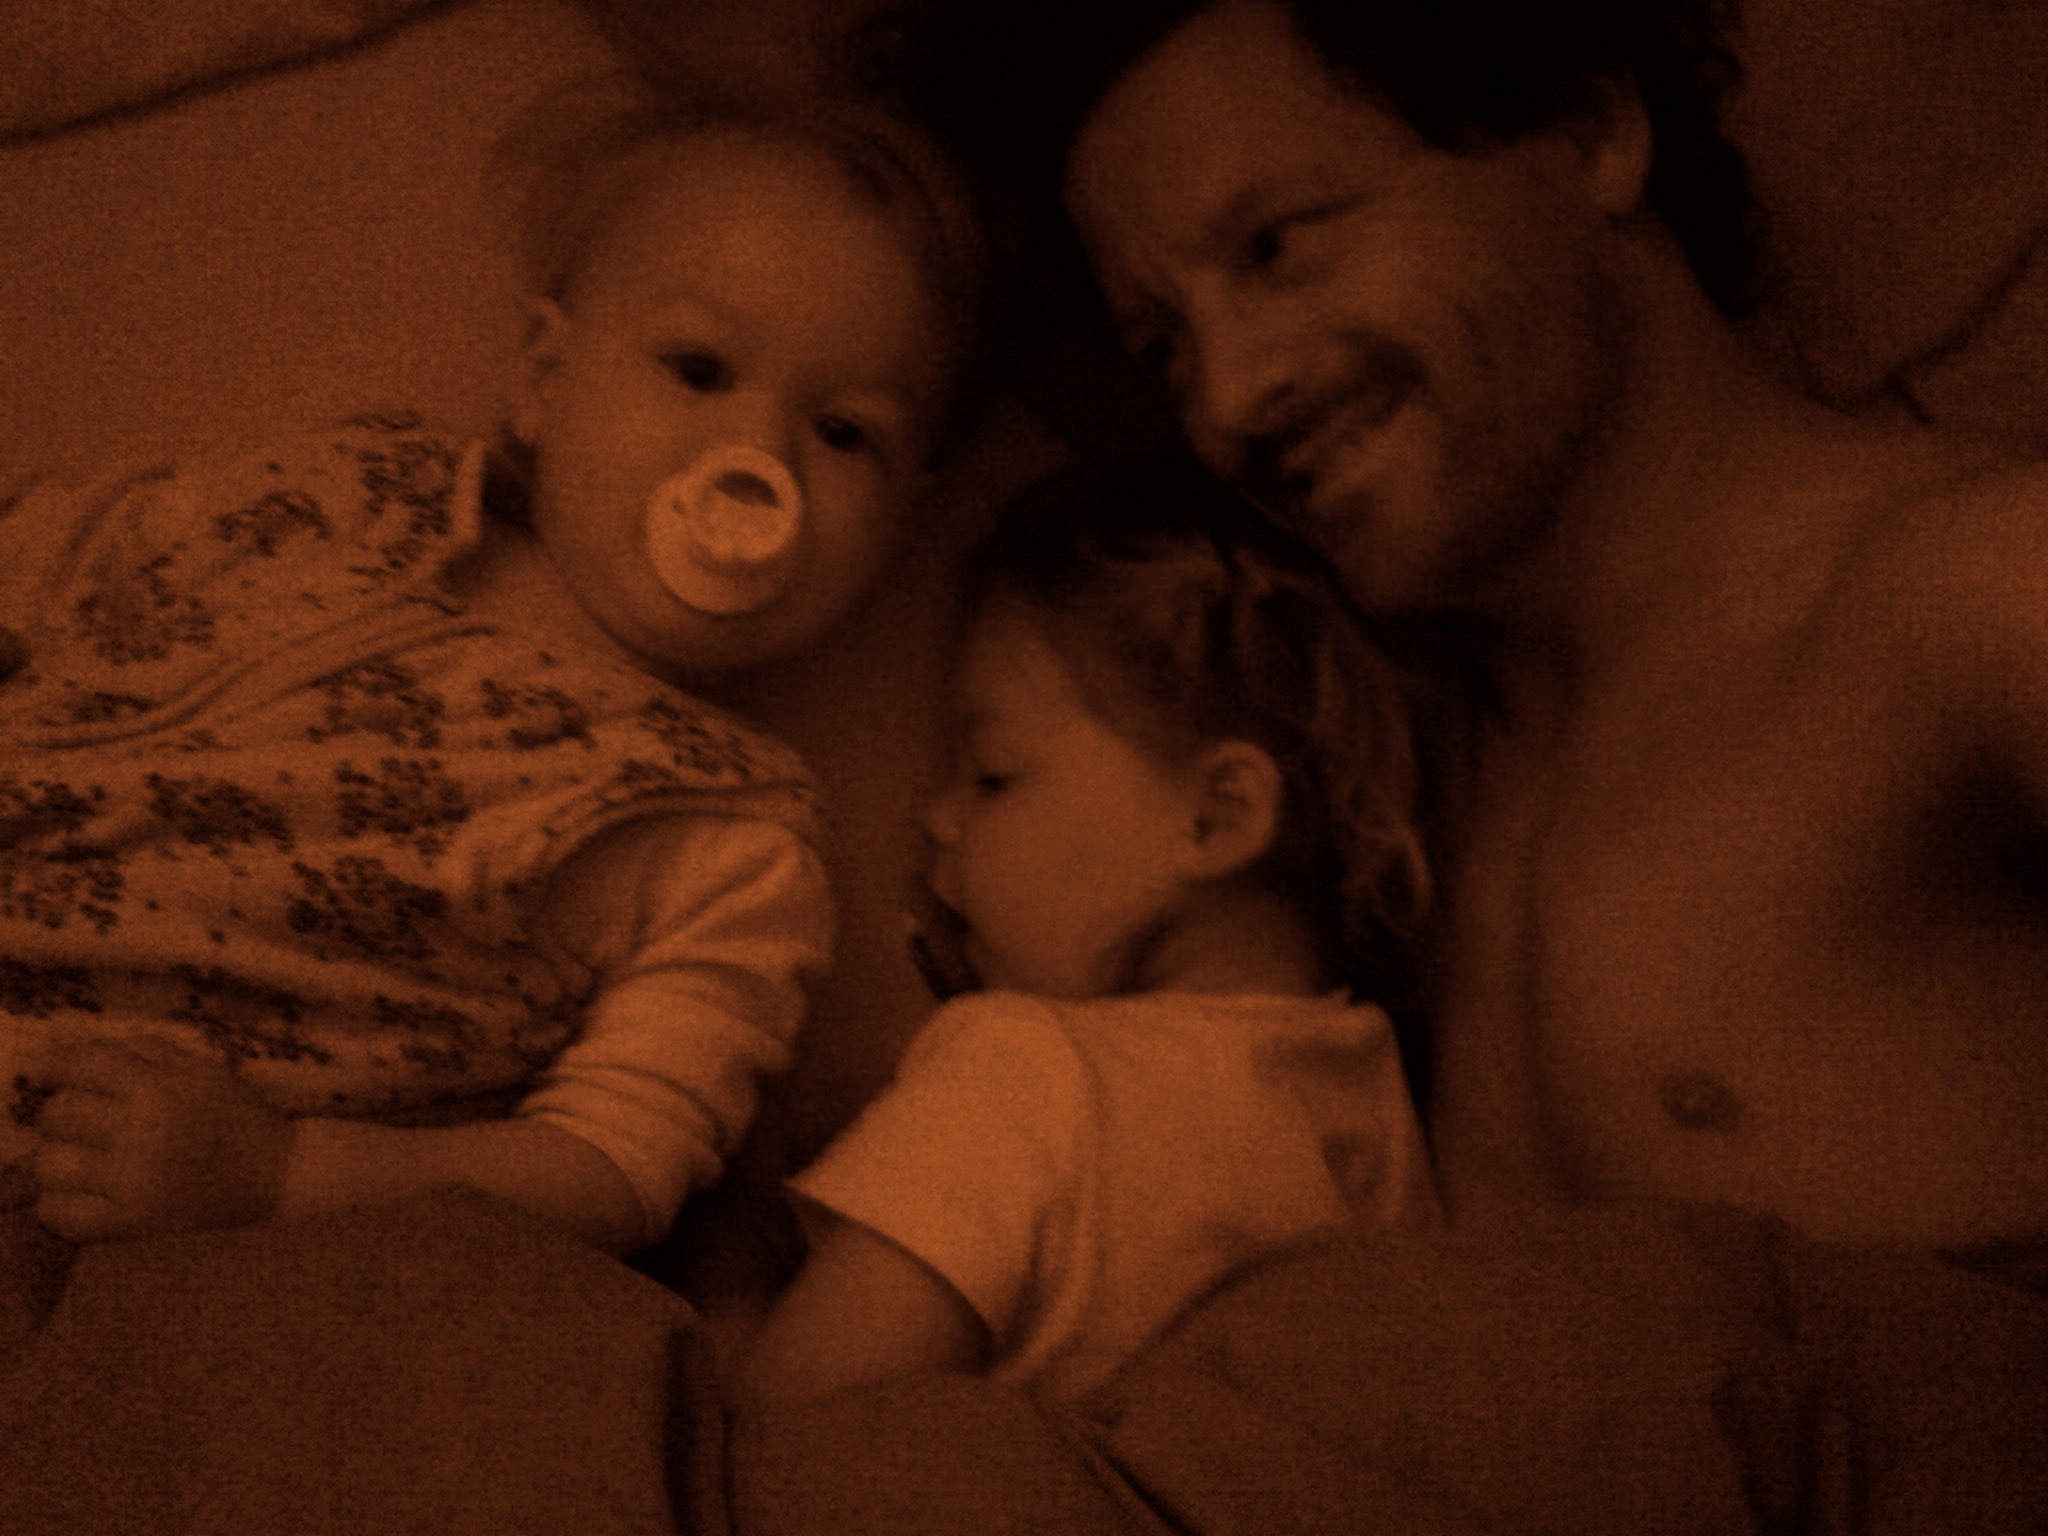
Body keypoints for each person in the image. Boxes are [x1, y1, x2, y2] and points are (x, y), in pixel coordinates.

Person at [872, 0, 2048, 1269]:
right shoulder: (1375, 764)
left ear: (1588, 131)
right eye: (1163, 349)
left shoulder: (1971, 588)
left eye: (1276, 247)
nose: (1226, 397)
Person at [0, 71, 983, 1260]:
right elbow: (59, 556)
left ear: (898, 525)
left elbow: (613, 1171)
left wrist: (284, 1171)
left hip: (95, 1182)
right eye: (698, 369)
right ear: (542, 378)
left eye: (843, 433)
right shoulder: (351, 491)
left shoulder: (723, 844)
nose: (754, 453)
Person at [735, 453, 1439, 1408]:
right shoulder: (1376, 1110)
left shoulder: (1019, 1071)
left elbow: (788, 1424)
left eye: (992, 775)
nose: (937, 819)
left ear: (1217, 817)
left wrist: (728, 1263)